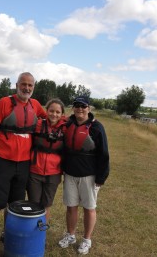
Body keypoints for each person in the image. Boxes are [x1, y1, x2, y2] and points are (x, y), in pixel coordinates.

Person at [0, 72, 47, 257]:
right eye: (23, 84)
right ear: (17, 85)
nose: (27, 88)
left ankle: (7, 235)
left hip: (23, 164)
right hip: (3, 162)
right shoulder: (4, 103)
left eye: (30, 85)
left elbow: (53, 119)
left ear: (33, 87)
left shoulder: (36, 105)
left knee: (14, 205)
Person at [58, 96, 110, 255]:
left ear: (89, 108)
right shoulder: (67, 124)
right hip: (70, 174)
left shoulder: (97, 128)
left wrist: (101, 177)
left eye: (83, 106)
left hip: (89, 175)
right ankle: (71, 235)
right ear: (73, 108)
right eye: (77, 105)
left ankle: (87, 239)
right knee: (71, 206)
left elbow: (104, 154)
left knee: (89, 208)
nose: (80, 109)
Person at [27, 98, 66, 222]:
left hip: (53, 173)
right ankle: (31, 231)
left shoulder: (66, 128)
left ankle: (41, 233)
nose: (54, 114)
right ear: (46, 111)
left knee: (46, 205)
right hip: (35, 171)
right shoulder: (37, 124)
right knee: (33, 204)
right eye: (51, 111)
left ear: (62, 114)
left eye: (58, 112)